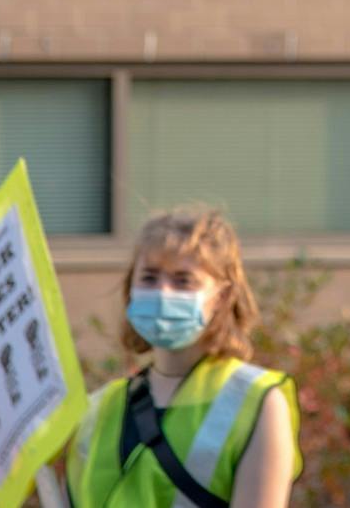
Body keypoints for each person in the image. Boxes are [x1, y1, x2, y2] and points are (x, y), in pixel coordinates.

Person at [63, 207, 300, 507]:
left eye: (182, 280)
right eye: (149, 277)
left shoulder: (254, 400)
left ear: (222, 297)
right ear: (130, 288)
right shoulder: (99, 409)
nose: (163, 292)